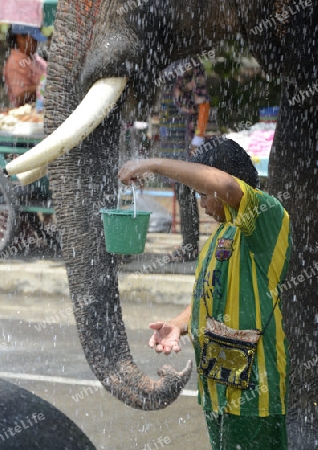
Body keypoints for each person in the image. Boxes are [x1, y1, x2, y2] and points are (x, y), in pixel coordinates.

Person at [118, 137, 292, 449]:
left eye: (202, 194)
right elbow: (208, 297)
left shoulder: (267, 216)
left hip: (255, 394)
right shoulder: (218, 237)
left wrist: (153, 164)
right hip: (218, 386)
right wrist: (179, 324)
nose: (201, 203)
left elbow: (225, 187)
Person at [158, 60, 210, 261]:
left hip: (189, 139)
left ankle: (190, 246)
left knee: (186, 191)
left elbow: (203, 102)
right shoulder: (168, 68)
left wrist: (199, 137)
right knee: (182, 192)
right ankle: (189, 246)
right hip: (174, 139)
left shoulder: (191, 66)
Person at [3, 24, 47, 107]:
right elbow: (20, 95)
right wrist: (44, 86)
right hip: (30, 114)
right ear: (20, 38)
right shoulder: (15, 62)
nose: (37, 43)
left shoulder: (33, 57)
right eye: (34, 39)